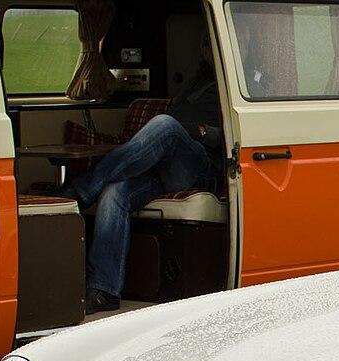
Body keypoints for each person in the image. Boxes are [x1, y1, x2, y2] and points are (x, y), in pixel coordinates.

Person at [66, 39, 223, 313]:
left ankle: (82, 190)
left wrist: (201, 132)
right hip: (165, 167)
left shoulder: (233, 85)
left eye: (216, 46)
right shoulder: (194, 82)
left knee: (165, 125)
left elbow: (240, 133)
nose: (211, 51)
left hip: (202, 167)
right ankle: (104, 289)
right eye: (207, 46)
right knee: (115, 191)